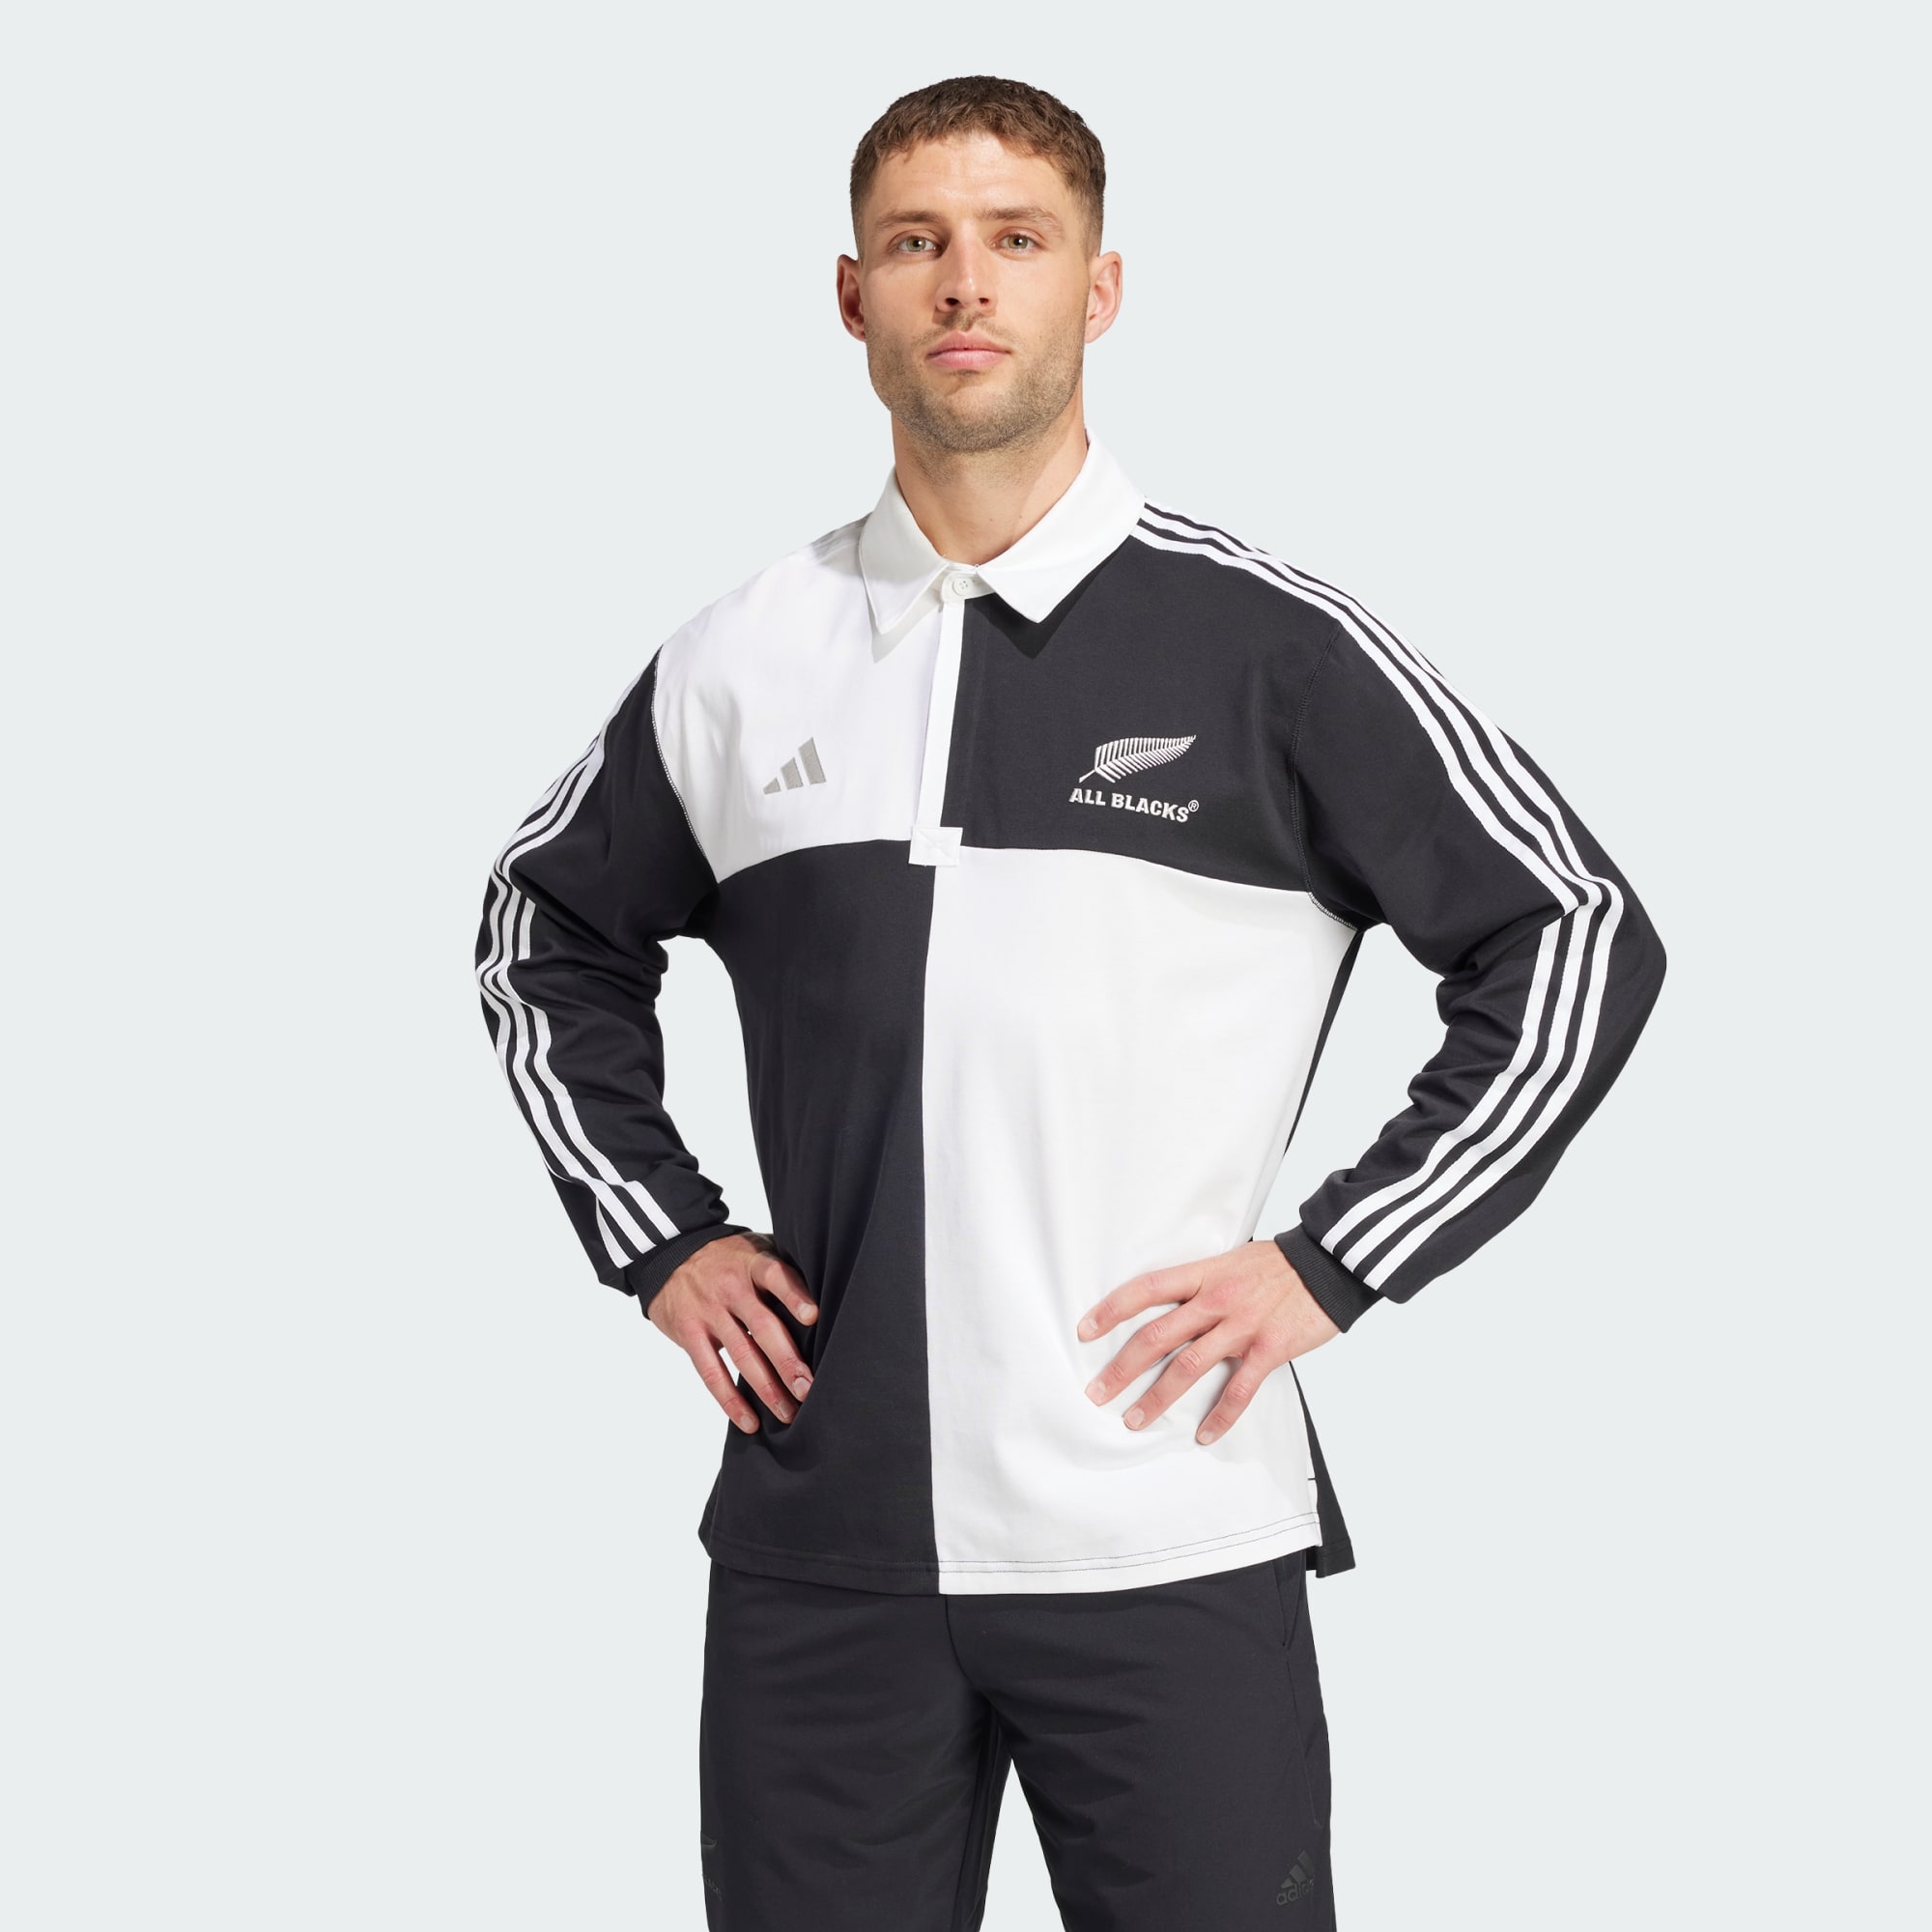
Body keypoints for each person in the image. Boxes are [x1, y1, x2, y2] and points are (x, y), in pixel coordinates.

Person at [472, 73, 1666, 1932]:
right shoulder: (736, 660)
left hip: (1163, 1528)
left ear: (1097, 289)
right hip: (824, 1545)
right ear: (851, 294)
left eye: (1017, 240)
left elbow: (1575, 931)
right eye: (917, 243)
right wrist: (664, 1238)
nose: (966, 282)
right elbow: (542, 928)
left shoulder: (1268, 647)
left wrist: (1338, 1258)